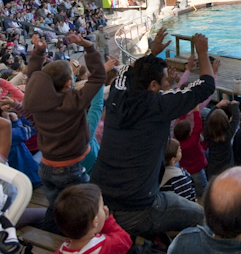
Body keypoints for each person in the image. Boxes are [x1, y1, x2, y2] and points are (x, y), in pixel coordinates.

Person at [92, 34, 215, 238]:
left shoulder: (116, 93)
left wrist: (151, 55)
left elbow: (126, 71)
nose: (168, 84)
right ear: (153, 86)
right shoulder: (159, 105)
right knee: (203, 216)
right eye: (165, 80)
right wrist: (203, 51)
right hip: (137, 205)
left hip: (100, 198)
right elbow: (207, 85)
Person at [23, 32, 110, 206]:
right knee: (80, 209)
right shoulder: (74, 101)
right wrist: (88, 46)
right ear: (69, 84)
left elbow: (33, 76)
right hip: (70, 168)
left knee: (56, 207)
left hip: (46, 165)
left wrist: (39, 53)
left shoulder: (35, 100)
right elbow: (99, 77)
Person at [205, 99, 241, 180]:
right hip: (227, 169)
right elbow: (236, 118)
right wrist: (234, 104)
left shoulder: (207, 134)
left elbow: (207, 118)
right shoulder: (227, 135)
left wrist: (217, 105)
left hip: (212, 169)